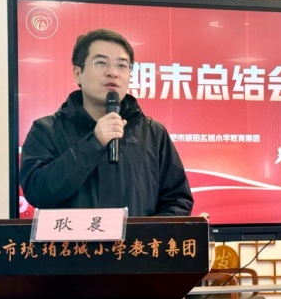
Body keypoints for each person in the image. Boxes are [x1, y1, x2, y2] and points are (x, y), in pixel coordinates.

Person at [19, 28, 194, 217]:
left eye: (122, 65)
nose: (113, 72)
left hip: (136, 239)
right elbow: (37, 192)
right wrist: (94, 143)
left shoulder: (153, 133)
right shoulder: (47, 130)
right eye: (101, 63)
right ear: (77, 73)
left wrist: (147, 233)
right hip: (75, 238)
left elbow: (177, 201)